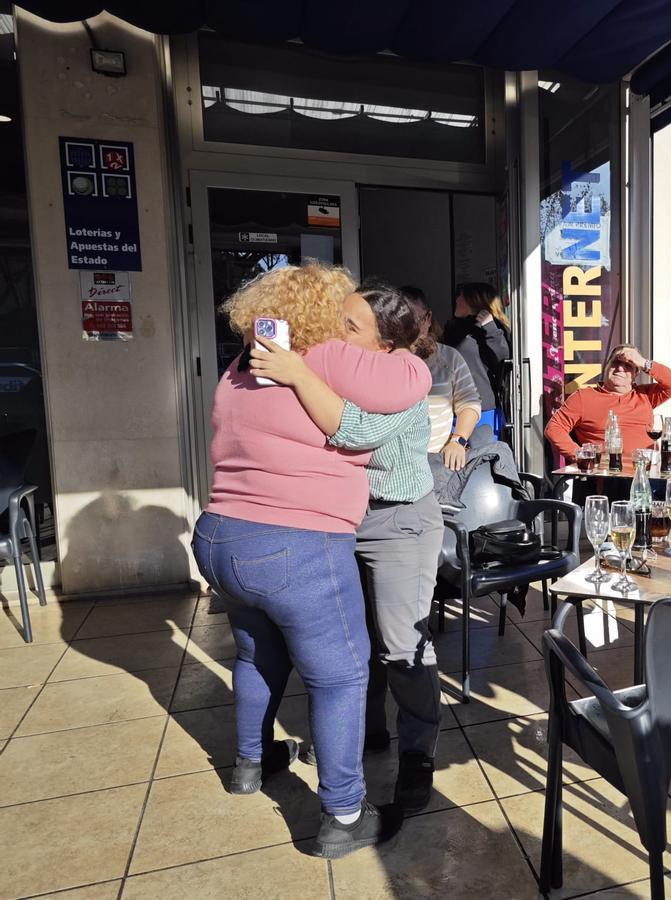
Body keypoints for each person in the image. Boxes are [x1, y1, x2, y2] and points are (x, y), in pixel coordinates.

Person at [190, 262, 430, 859]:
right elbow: (411, 376)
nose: (344, 324)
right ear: (323, 311)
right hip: (295, 543)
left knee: (256, 654)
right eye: (341, 312)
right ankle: (344, 814)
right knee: (341, 675)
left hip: (220, 536)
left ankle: (250, 764)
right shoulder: (322, 355)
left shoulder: (242, 364)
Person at [250, 282, 446, 819]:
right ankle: (367, 731)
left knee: (401, 646)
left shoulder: (403, 376)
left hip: (400, 522)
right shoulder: (342, 370)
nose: (335, 333)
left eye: (350, 327)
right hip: (342, 519)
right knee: (352, 641)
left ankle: (418, 753)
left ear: (386, 344)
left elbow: (354, 432)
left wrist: (297, 373)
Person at [544, 344, 671, 463]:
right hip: (609, 474)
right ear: (607, 366)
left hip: (648, 470)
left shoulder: (645, 395)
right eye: (616, 362)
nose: (620, 368)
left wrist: (643, 362)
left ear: (636, 374)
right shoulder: (584, 397)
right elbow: (554, 428)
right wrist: (580, 455)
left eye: (628, 365)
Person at [402, 286, 484, 470]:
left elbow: (469, 402)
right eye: (404, 321)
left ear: (428, 318)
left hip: (436, 460)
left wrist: (457, 441)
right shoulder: (381, 359)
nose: (412, 328)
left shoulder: (449, 357)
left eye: (417, 320)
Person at [442, 282, 511, 437]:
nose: (457, 300)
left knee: (483, 449)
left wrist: (490, 328)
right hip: (451, 403)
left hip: (482, 406)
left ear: (473, 301)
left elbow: (503, 359)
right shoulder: (454, 327)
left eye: (461, 296)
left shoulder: (491, 327)